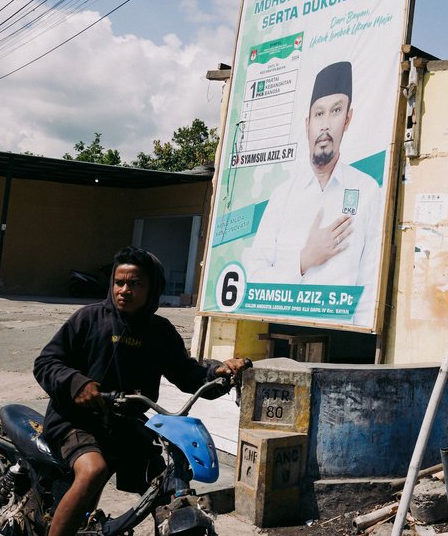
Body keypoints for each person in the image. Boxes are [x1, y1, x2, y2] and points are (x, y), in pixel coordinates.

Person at [34, 246, 247, 536]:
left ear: (152, 289)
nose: (124, 290)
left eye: (135, 284)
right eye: (119, 282)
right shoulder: (88, 319)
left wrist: (218, 372)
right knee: (93, 470)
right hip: (75, 419)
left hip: (123, 423)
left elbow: (187, 374)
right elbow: (46, 362)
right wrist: (76, 383)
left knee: (163, 481)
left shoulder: (160, 331)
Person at [244, 61, 382, 321]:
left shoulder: (366, 189)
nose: (326, 125)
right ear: (308, 123)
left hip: (341, 332)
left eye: (336, 111)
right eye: (319, 114)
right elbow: (254, 276)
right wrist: (304, 260)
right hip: (278, 326)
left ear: (348, 118)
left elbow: (370, 279)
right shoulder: (283, 194)